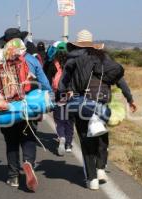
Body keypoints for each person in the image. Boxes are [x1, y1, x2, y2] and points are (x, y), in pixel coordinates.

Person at [58, 29, 136, 190]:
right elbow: (120, 80)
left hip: (80, 104)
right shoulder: (104, 58)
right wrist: (130, 99)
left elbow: (62, 85)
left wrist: (63, 96)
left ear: (77, 45)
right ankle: (101, 167)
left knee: (86, 141)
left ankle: (92, 179)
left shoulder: (72, 60)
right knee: (101, 136)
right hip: (101, 103)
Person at [0, 28, 52, 192]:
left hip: (6, 108)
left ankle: (13, 176)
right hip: (29, 106)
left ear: (6, 42)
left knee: (11, 141)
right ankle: (29, 163)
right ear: (21, 41)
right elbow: (45, 85)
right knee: (29, 138)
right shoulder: (31, 60)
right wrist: (45, 102)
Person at [43, 41, 74, 156]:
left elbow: (48, 81)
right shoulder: (72, 63)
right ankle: (69, 144)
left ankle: (61, 136)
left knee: (59, 119)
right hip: (70, 94)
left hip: (57, 94)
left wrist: (49, 95)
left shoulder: (52, 64)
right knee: (70, 120)